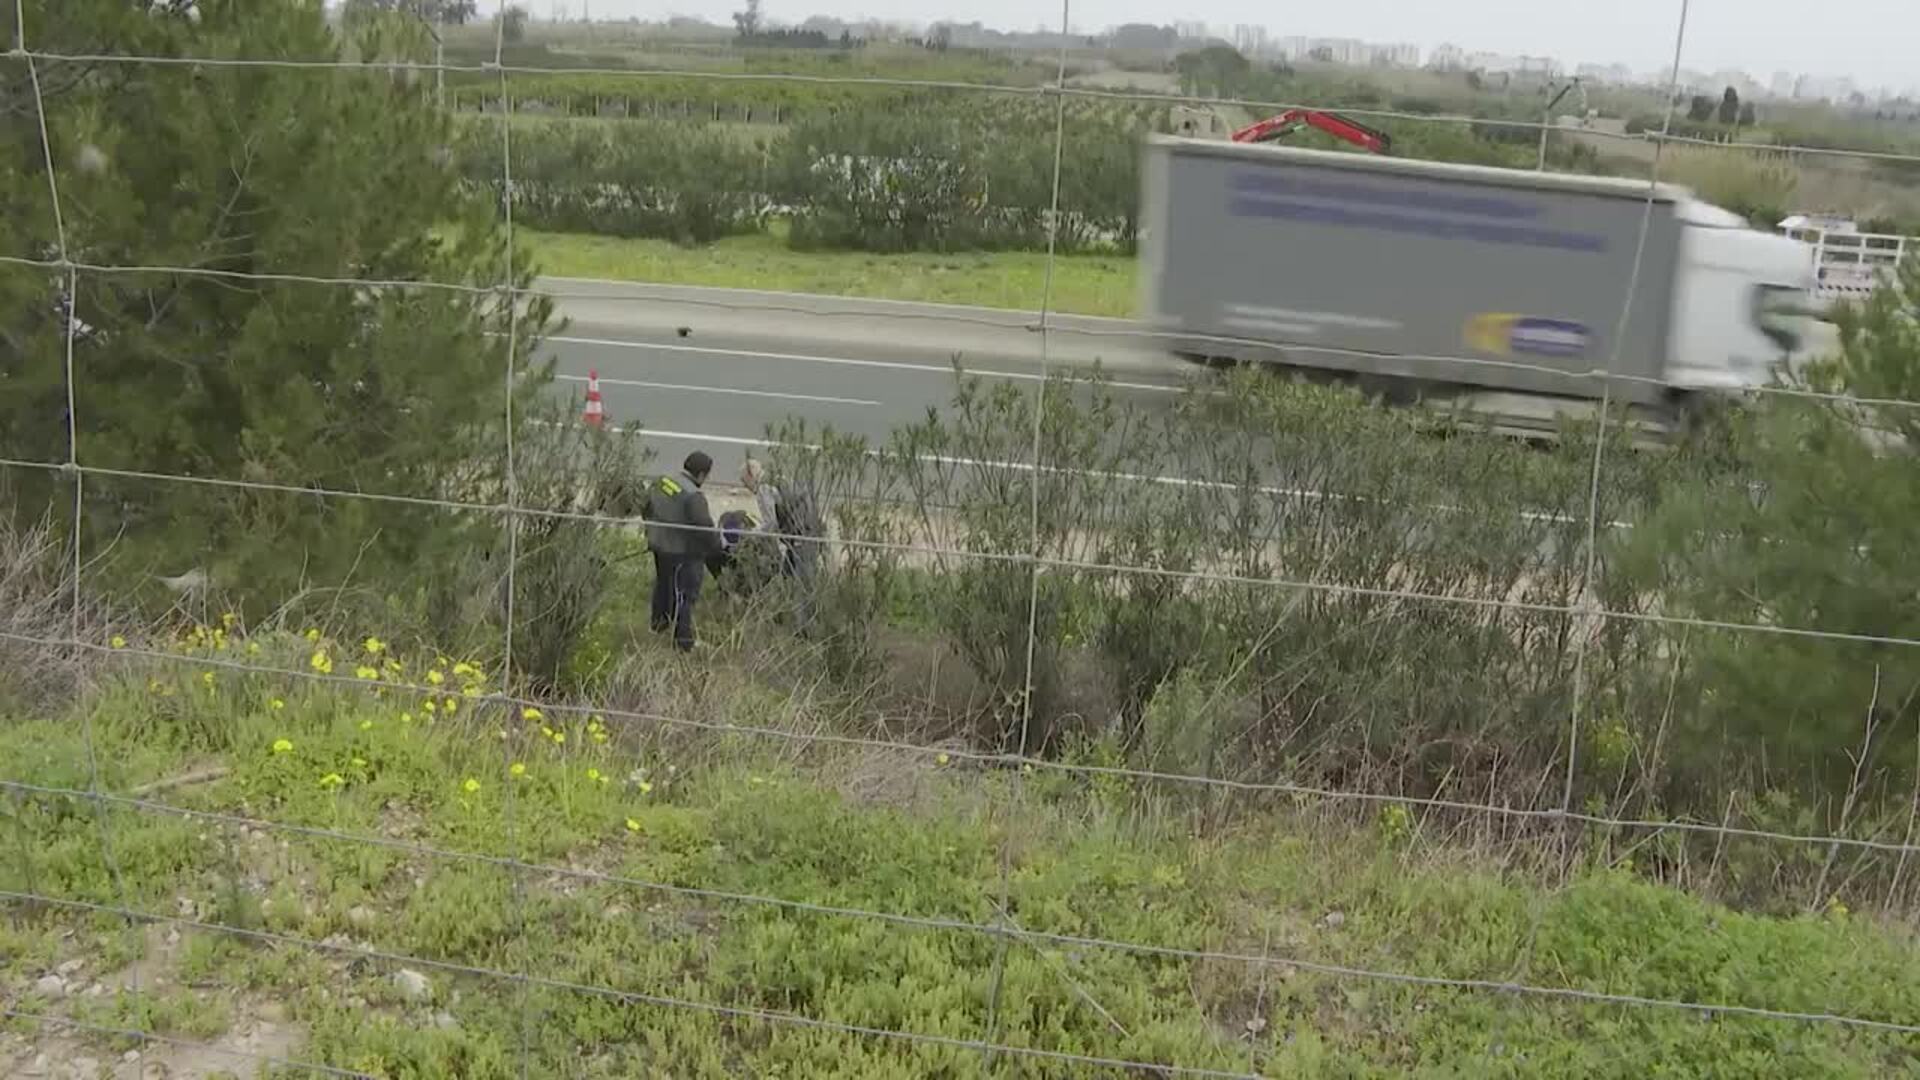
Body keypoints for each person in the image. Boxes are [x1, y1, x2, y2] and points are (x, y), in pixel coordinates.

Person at [644, 451, 721, 652]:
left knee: (663, 584)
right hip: (681, 551)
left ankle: (659, 624)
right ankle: (683, 641)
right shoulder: (693, 496)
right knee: (684, 595)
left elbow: (646, 507)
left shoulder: (662, 481)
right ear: (702, 474)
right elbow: (703, 526)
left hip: (659, 544)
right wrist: (716, 548)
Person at [739, 455, 824, 631]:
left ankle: (804, 629)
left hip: (801, 537)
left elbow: (770, 524)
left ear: (750, 475)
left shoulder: (763, 488)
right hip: (810, 529)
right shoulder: (780, 477)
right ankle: (780, 613)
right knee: (785, 574)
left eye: (744, 482)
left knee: (802, 583)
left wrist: (750, 534)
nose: (746, 487)